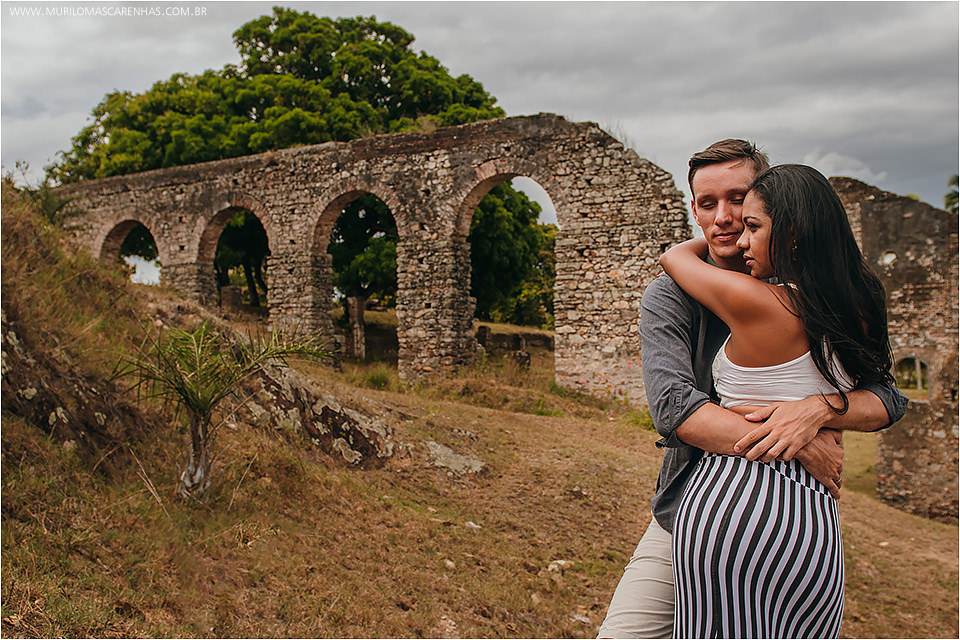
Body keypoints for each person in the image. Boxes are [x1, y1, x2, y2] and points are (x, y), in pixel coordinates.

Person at [596, 141, 907, 639]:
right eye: (706, 203)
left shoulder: (809, 289)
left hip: (751, 511)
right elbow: (677, 411)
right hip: (685, 508)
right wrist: (800, 439)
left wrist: (817, 409)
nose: (723, 217)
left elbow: (889, 397)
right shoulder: (670, 296)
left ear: (768, 201)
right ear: (693, 209)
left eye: (738, 199)